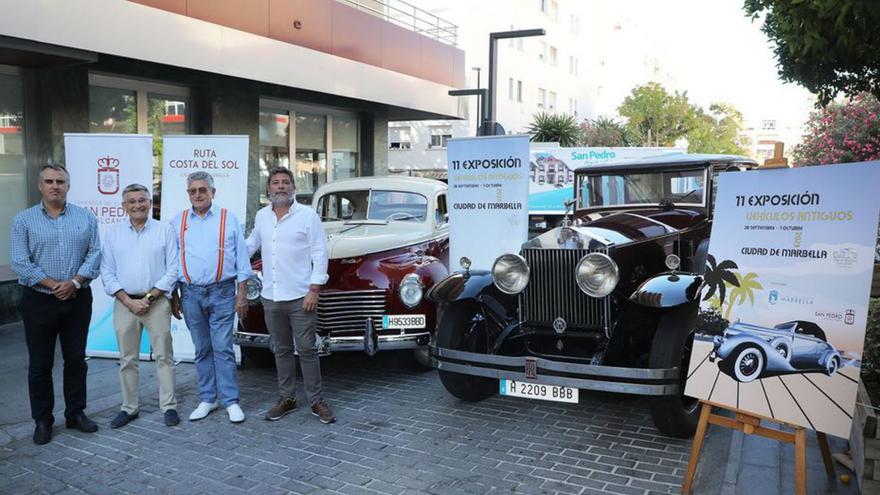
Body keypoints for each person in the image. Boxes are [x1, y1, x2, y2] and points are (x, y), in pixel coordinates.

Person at [10, 164, 101, 445]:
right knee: (40, 364)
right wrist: (54, 285)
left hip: (77, 298)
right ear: (40, 186)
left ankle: (75, 413)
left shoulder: (85, 218)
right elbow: (20, 262)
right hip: (39, 300)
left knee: (76, 360)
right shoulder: (23, 220)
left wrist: (73, 283)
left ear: (68, 186)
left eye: (60, 181)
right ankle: (43, 420)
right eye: (49, 181)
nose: (55, 186)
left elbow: (95, 254)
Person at [247, 167, 335, 424]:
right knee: (281, 349)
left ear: (294, 187)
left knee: (307, 349)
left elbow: (320, 254)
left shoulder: (307, 216)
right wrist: (222, 249)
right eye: (276, 183)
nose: (281, 187)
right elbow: (251, 245)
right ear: (269, 189)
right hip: (271, 296)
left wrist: (314, 290)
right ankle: (287, 398)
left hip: (301, 296)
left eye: (286, 182)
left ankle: (316, 400)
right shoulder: (262, 216)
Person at [171, 171, 250, 423]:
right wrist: (174, 295)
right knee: (202, 348)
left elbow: (242, 259)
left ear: (212, 192)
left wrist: (242, 293)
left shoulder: (228, 219)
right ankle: (208, 398)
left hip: (223, 292)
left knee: (223, 348)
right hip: (190, 293)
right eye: (192, 191)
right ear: (188, 194)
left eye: (202, 190)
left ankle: (230, 401)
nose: (197, 195)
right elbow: (172, 261)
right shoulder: (178, 220)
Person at [100, 184, 180, 428]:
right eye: (132, 201)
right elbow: (107, 271)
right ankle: (129, 408)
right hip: (125, 303)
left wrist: (149, 298)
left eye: (142, 200)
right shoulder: (113, 233)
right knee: (127, 359)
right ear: (124, 206)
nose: (137, 205)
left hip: (156, 303)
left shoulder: (164, 230)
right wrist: (128, 300)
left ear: (150, 202)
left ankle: (168, 406)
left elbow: (173, 269)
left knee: (164, 357)